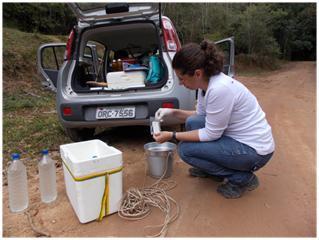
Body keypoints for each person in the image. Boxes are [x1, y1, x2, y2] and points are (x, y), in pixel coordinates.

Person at [153, 40, 275, 199]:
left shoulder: (219, 89)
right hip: (239, 141)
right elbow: (199, 115)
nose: (181, 83)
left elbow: (211, 134)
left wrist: (172, 135)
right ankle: (212, 170)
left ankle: (242, 178)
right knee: (192, 122)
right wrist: (172, 112)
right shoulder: (206, 85)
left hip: (254, 151)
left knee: (185, 150)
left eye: (182, 78)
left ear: (197, 73)